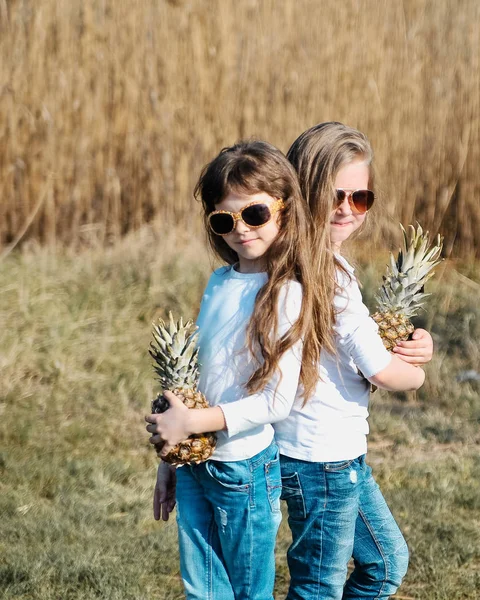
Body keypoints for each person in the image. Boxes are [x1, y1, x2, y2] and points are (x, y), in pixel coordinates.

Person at [145, 140, 333, 600]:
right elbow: (195, 379)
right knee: (202, 589)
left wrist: (193, 423)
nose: (241, 230)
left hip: (243, 470)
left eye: (255, 215)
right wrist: (173, 456)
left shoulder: (286, 293)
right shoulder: (218, 282)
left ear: (285, 211)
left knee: (249, 591)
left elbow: (275, 401)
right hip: (195, 464)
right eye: (224, 220)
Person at [275, 121, 433, 600]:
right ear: (303, 193)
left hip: (333, 454)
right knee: (317, 588)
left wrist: (410, 345)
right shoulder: (328, 275)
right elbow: (379, 368)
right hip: (321, 457)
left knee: (385, 563)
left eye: (361, 198)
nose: (347, 210)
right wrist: (419, 373)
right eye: (335, 196)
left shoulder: (306, 262)